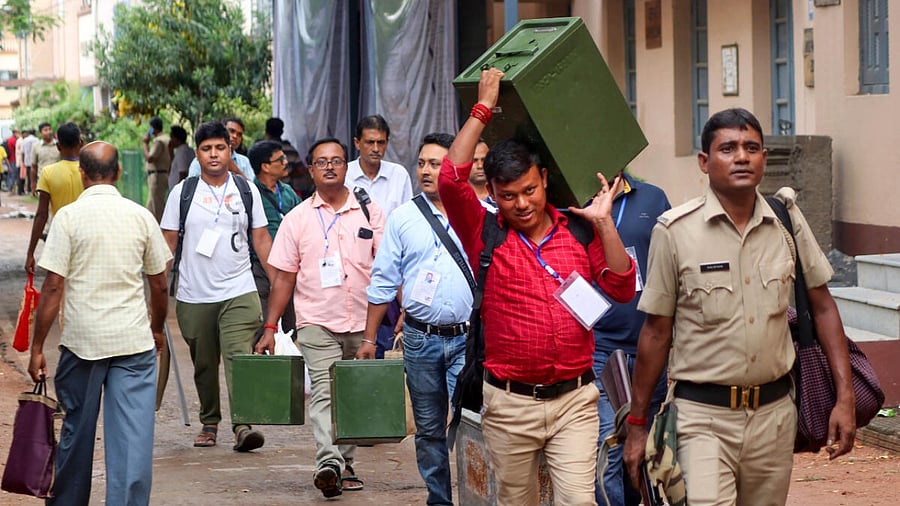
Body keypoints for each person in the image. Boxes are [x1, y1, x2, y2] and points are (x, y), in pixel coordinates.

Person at [623, 108, 856, 505]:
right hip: (702, 418)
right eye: (728, 148)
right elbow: (656, 332)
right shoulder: (674, 231)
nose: (742, 157)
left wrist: (845, 397)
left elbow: (823, 308)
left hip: (775, 416)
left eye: (751, 147)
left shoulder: (786, 221)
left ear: (764, 157)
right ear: (704, 161)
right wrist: (638, 422)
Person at [438, 68, 636, 505]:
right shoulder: (484, 232)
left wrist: (604, 223)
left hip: (575, 401)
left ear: (544, 179)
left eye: (530, 190)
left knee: (579, 501)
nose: (522, 204)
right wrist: (483, 107)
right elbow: (451, 177)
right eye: (508, 196)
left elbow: (622, 288)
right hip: (509, 406)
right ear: (492, 192)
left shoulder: (580, 232)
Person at [27, 140, 171, 506]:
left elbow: (54, 285)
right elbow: (159, 283)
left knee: (76, 429)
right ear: (119, 172)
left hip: (82, 343)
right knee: (133, 438)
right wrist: (156, 328)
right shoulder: (141, 216)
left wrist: (38, 347)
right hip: (133, 343)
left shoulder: (69, 218)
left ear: (81, 173)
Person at [256, 137, 385, 499]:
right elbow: (284, 278)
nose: (330, 166)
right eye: (321, 162)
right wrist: (270, 327)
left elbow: (387, 269)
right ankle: (328, 462)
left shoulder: (369, 211)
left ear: (347, 167)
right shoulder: (297, 219)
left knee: (353, 396)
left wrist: (403, 307)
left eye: (337, 161)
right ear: (310, 170)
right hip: (316, 321)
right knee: (325, 392)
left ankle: (345, 461)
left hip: (363, 321)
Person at [358, 132, 470, 506]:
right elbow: (383, 281)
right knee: (428, 429)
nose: (425, 170)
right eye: (421, 163)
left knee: (473, 423)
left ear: (454, 167)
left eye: (435, 163)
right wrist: (370, 338)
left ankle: (477, 496)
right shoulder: (403, 218)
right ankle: (439, 499)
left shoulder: (477, 212)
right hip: (420, 340)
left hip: (468, 339)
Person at [161, 121, 274, 452]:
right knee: (204, 363)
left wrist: (278, 280)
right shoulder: (182, 193)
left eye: (220, 148)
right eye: (207, 149)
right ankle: (209, 422)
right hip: (194, 294)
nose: (214, 154)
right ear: (198, 153)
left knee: (239, 356)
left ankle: (243, 425)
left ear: (230, 150)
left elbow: (261, 239)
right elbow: (167, 244)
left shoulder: (245, 189)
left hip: (239, 289)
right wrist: (155, 288)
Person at [591, 171, 670, 505]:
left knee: (641, 450)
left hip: (649, 345)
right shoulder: (575, 202)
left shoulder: (653, 198)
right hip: (598, 346)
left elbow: (671, 262)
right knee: (608, 446)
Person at [345, 115, 413, 357]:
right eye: (370, 142)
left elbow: (407, 224)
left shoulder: (399, 175)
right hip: (353, 266)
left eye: (381, 143)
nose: (376, 149)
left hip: (393, 268)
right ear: (357, 143)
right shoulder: (344, 175)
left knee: (390, 337)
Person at [247, 140, 302, 340]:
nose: (286, 162)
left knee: (292, 326)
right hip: (260, 268)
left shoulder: (287, 192)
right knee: (261, 324)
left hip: (289, 268)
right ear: (265, 166)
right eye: (280, 159)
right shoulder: (249, 194)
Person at [25, 122, 85, 275]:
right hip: (86, 234)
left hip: (60, 235)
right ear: (81, 143)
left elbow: (42, 214)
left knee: (57, 283)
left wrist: (30, 252)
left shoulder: (47, 173)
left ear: (58, 146)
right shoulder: (89, 172)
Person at [188, 117, 255, 181]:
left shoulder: (244, 161)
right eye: (231, 131)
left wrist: (234, 168)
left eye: (239, 134)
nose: (235, 136)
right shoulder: (200, 161)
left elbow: (252, 188)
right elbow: (191, 187)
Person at [143, 117, 172, 222]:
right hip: (163, 174)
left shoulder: (159, 141)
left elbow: (150, 158)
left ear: (153, 128)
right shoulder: (167, 139)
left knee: (156, 207)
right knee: (154, 204)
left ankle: (159, 230)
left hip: (157, 176)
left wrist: (145, 143)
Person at [469, 139, 495, 210]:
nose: (480, 166)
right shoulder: (458, 198)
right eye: (474, 160)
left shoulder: (501, 195)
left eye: (484, 160)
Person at [168, 125, 193, 191]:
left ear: (176, 138)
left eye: (172, 137)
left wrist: (179, 191)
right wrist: (170, 152)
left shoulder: (181, 151)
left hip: (179, 191)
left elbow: (183, 173)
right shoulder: (188, 150)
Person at [18, 128, 38, 194]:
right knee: (35, 175)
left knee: (29, 175)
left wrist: (23, 161)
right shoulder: (36, 140)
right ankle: (33, 188)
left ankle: (29, 189)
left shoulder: (25, 140)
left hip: (27, 160)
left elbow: (22, 152)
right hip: (35, 160)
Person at [6, 128, 19, 193]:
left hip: (10, 159)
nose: (18, 134)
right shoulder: (13, 140)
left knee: (10, 175)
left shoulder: (10, 139)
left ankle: (10, 188)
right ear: (14, 133)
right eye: (17, 132)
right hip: (13, 159)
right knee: (13, 174)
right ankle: (10, 189)